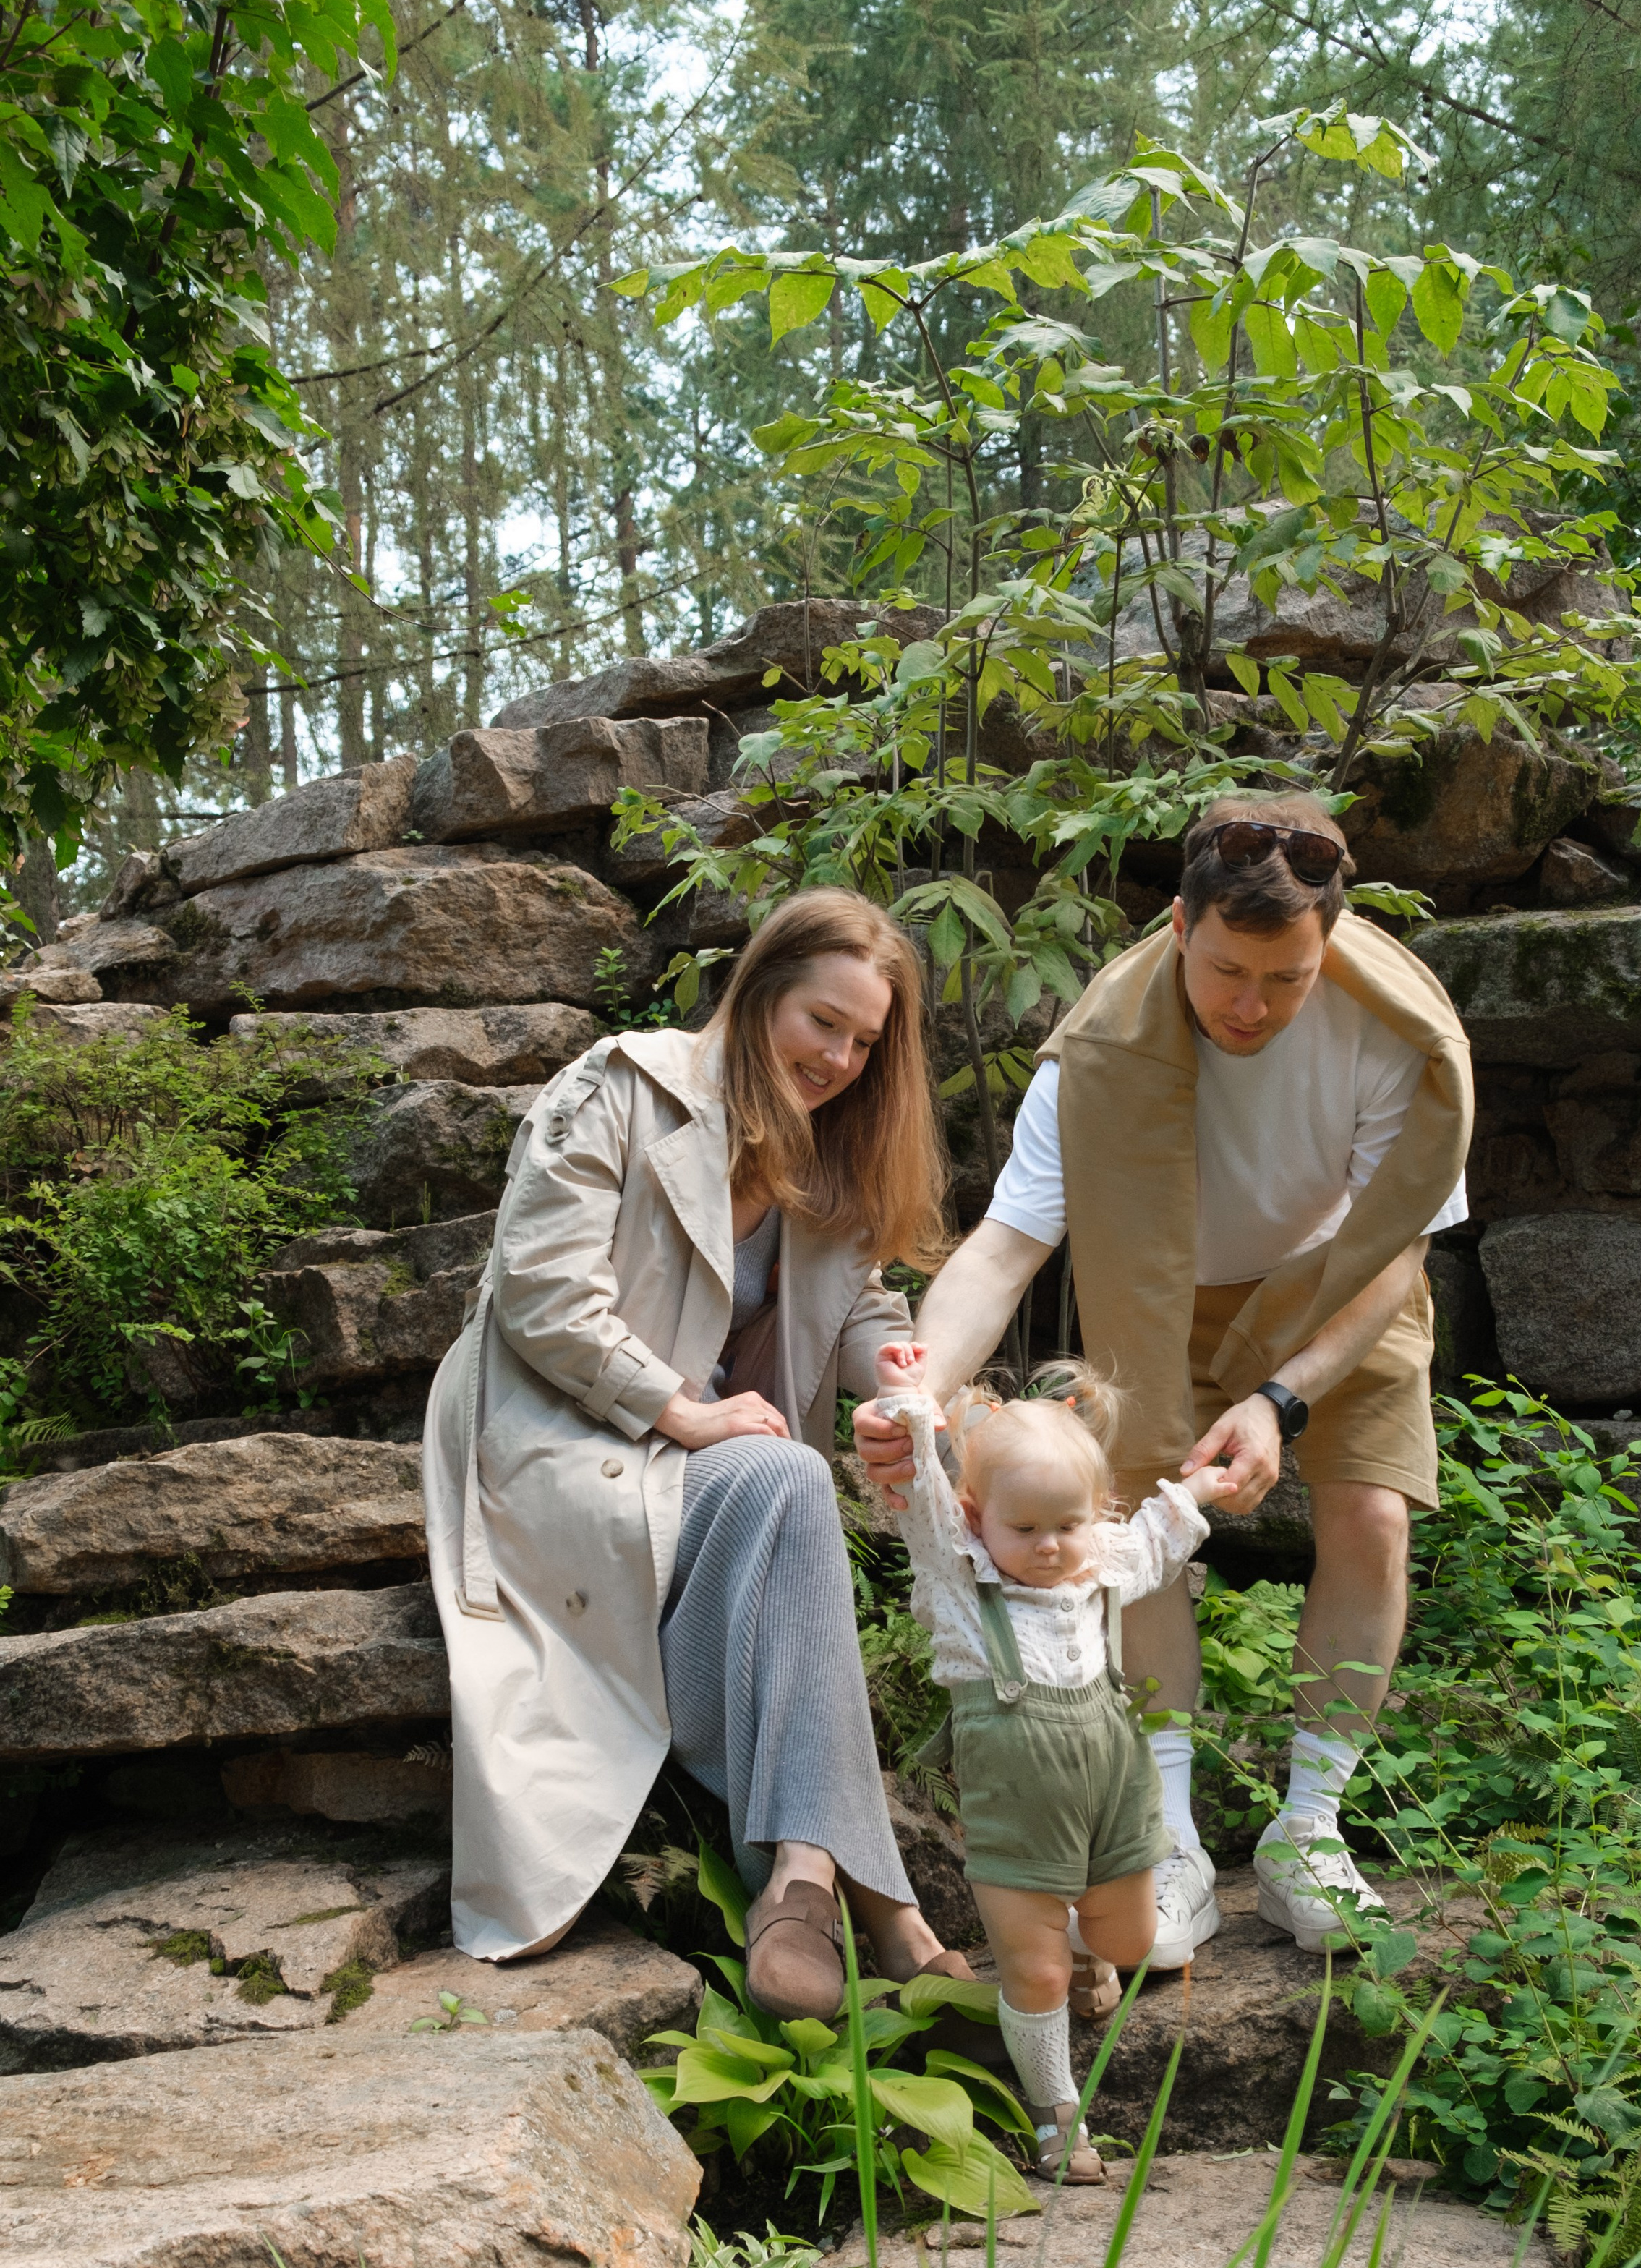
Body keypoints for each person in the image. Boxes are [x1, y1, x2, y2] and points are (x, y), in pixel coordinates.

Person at [855, 793, 1473, 1958]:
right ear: (1179, 929)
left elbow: (1398, 1250)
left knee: (1374, 1519)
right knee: (1129, 1538)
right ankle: (1172, 1841)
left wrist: (1282, 1397)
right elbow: (1003, 1247)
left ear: (1326, 948)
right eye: (1229, 971)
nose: (1255, 1006)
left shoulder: (1405, 1035)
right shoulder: (1095, 1051)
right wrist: (920, 1398)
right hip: (1162, 1291)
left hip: (1343, 1290)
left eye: (1286, 979)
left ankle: (1310, 1832)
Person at [423, 885, 976, 2021]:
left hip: (715, 1467)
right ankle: (879, 1901)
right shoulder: (623, 1087)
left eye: (866, 1042)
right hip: (565, 1433)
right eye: (824, 1021)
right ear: (762, 988)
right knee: (780, 1473)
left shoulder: (822, 1159)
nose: (839, 1057)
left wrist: (919, 1398)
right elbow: (540, 1293)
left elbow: (864, 1309)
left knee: (783, 1479)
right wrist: (684, 1411)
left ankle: (807, 1880)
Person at [870, 1345, 1236, 2177]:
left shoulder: (1100, 1565)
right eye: (1023, 1529)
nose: (1046, 1548)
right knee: (1032, 1973)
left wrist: (1205, 1488)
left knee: (1137, 1939)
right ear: (974, 1517)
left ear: (1095, 1512)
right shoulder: (962, 1579)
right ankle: (1054, 2115)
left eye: (1066, 1526)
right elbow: (921, 1504)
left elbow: (1157, 1535)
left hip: (1113, 1790)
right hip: (1017, 1804)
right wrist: (909, 1409)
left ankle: (1087, 1942)